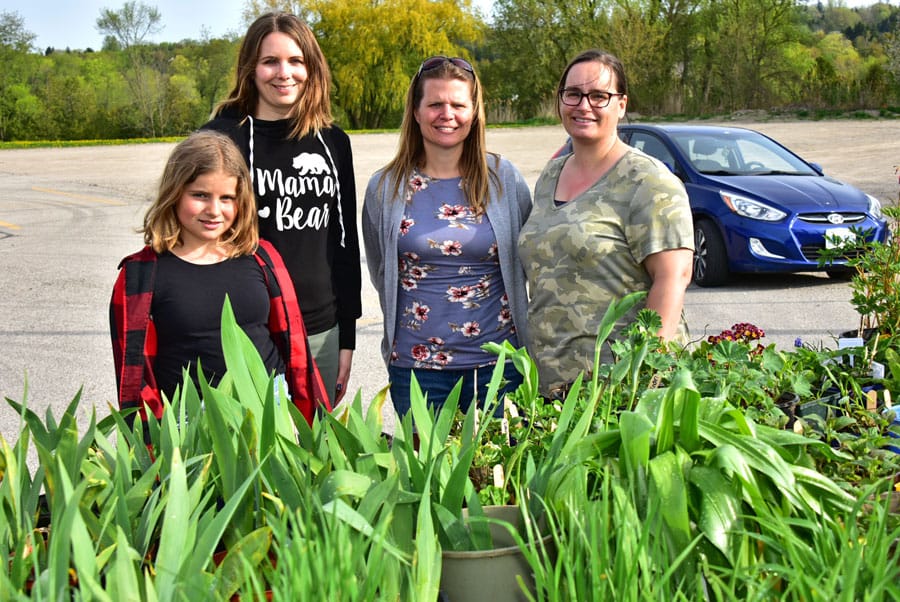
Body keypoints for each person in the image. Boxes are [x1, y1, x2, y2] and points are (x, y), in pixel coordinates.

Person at [110, 131, 329, 425]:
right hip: (189, 419)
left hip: (270, 406)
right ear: (174, 193)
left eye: (227, 198)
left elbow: (294, 347)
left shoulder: (261, 257)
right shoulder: (140, 276)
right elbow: (134, 376)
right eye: (200, 195)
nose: (215, 210)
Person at [201, 12, 360, 405]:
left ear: (312, 67)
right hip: (245, 328)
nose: (283, 72)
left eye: (296, 61)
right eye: (270, 61)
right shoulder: (220, 139)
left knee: (312, 453)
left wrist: (347, 336)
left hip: (319, 329)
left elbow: (344, 243)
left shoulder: (332, 141)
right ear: (250, 69)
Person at [517, 49, 694, 398]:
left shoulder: (647, 181)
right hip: (551, 384)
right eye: (573, 94)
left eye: (599, 96)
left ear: (621, 104)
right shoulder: (551, 175)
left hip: (617, 386)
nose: (584, 105)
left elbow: (673, 278)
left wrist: (640, 378)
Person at [363, 55, 532, 418]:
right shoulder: (385, 188)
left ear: (474, 112)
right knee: (426, 473)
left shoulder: (503, 179)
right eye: (435, 103)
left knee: (501, 474)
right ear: (416, 110)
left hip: (499, 366)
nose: (447, 114)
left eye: (458, 104)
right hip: (416, 369)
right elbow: (381, 270)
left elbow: (527, 260)